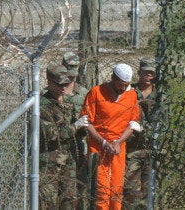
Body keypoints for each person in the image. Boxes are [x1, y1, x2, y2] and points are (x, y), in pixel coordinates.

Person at [78, 63, 141, 210]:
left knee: (117, 189)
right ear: (112, 78)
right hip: (98, 147)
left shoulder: (131, 95)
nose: (123, 89)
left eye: (126, 85)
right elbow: (87, 122)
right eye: (120, 85)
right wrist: (104, 142)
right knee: (101, 190)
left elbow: (132, 123)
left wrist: (118, 142)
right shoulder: (96, 93)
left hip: (118, 148)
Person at [38, 64, 81, 209]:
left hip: (68, 161)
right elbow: (51, 134)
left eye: (66, 83)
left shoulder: (67, 102)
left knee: (69, 202)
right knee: (49, 203)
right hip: (49, 163)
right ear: (49, 81)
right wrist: (76, 126)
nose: (63, 87)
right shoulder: (42, 105)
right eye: (59, 84)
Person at [124, 59, 157, 209]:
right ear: (139, 73)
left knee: (150, 191)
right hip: (132, 149)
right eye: (145, 72)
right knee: (131, 191)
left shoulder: (160, 95)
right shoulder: (129, 92)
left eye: (151, 73)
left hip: (153, 150)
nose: (148, 75)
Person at [61, 52, 90, 209]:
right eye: (68, 71)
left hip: (79, 146)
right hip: (58, 146)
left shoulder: (84, 93)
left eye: (74, 71)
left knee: (80, 190)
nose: (71, 77)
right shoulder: (53, 91)